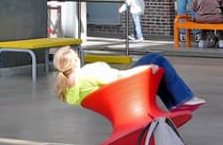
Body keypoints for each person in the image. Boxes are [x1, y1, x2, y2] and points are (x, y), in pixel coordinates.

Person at [52, 46, 204, 111]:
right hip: (123, 90)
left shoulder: (69, 91)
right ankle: (184, 99)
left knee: (156, 73)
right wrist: (145, 68)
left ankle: (175, 104)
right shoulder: (88, 73)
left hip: (115, 97)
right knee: (156, 59)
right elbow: (120, 77)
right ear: (75, 61)